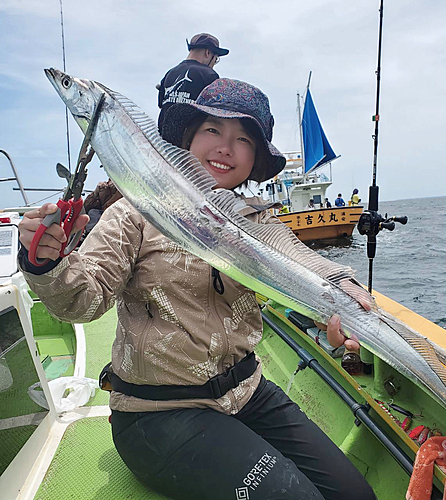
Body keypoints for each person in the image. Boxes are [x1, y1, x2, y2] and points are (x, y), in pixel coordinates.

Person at [18, 79, 376, 500]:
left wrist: (346, 299)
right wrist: (47, 261)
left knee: (357, 495)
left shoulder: (258, 224)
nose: (226, 147)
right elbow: (83, 299)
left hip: (248, 393)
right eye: (213, 130)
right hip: (160, 413)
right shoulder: (135, 212)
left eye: (243, 138)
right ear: (187, 139)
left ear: (255, 158)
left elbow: (306, 265)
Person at [157, 33, 229, 133]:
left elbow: (161, 105)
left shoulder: (169, 73)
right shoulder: (210, 75)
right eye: (215, 59)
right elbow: (216, 112)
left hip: (162, 141)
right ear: (208, 53)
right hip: (189, 141)